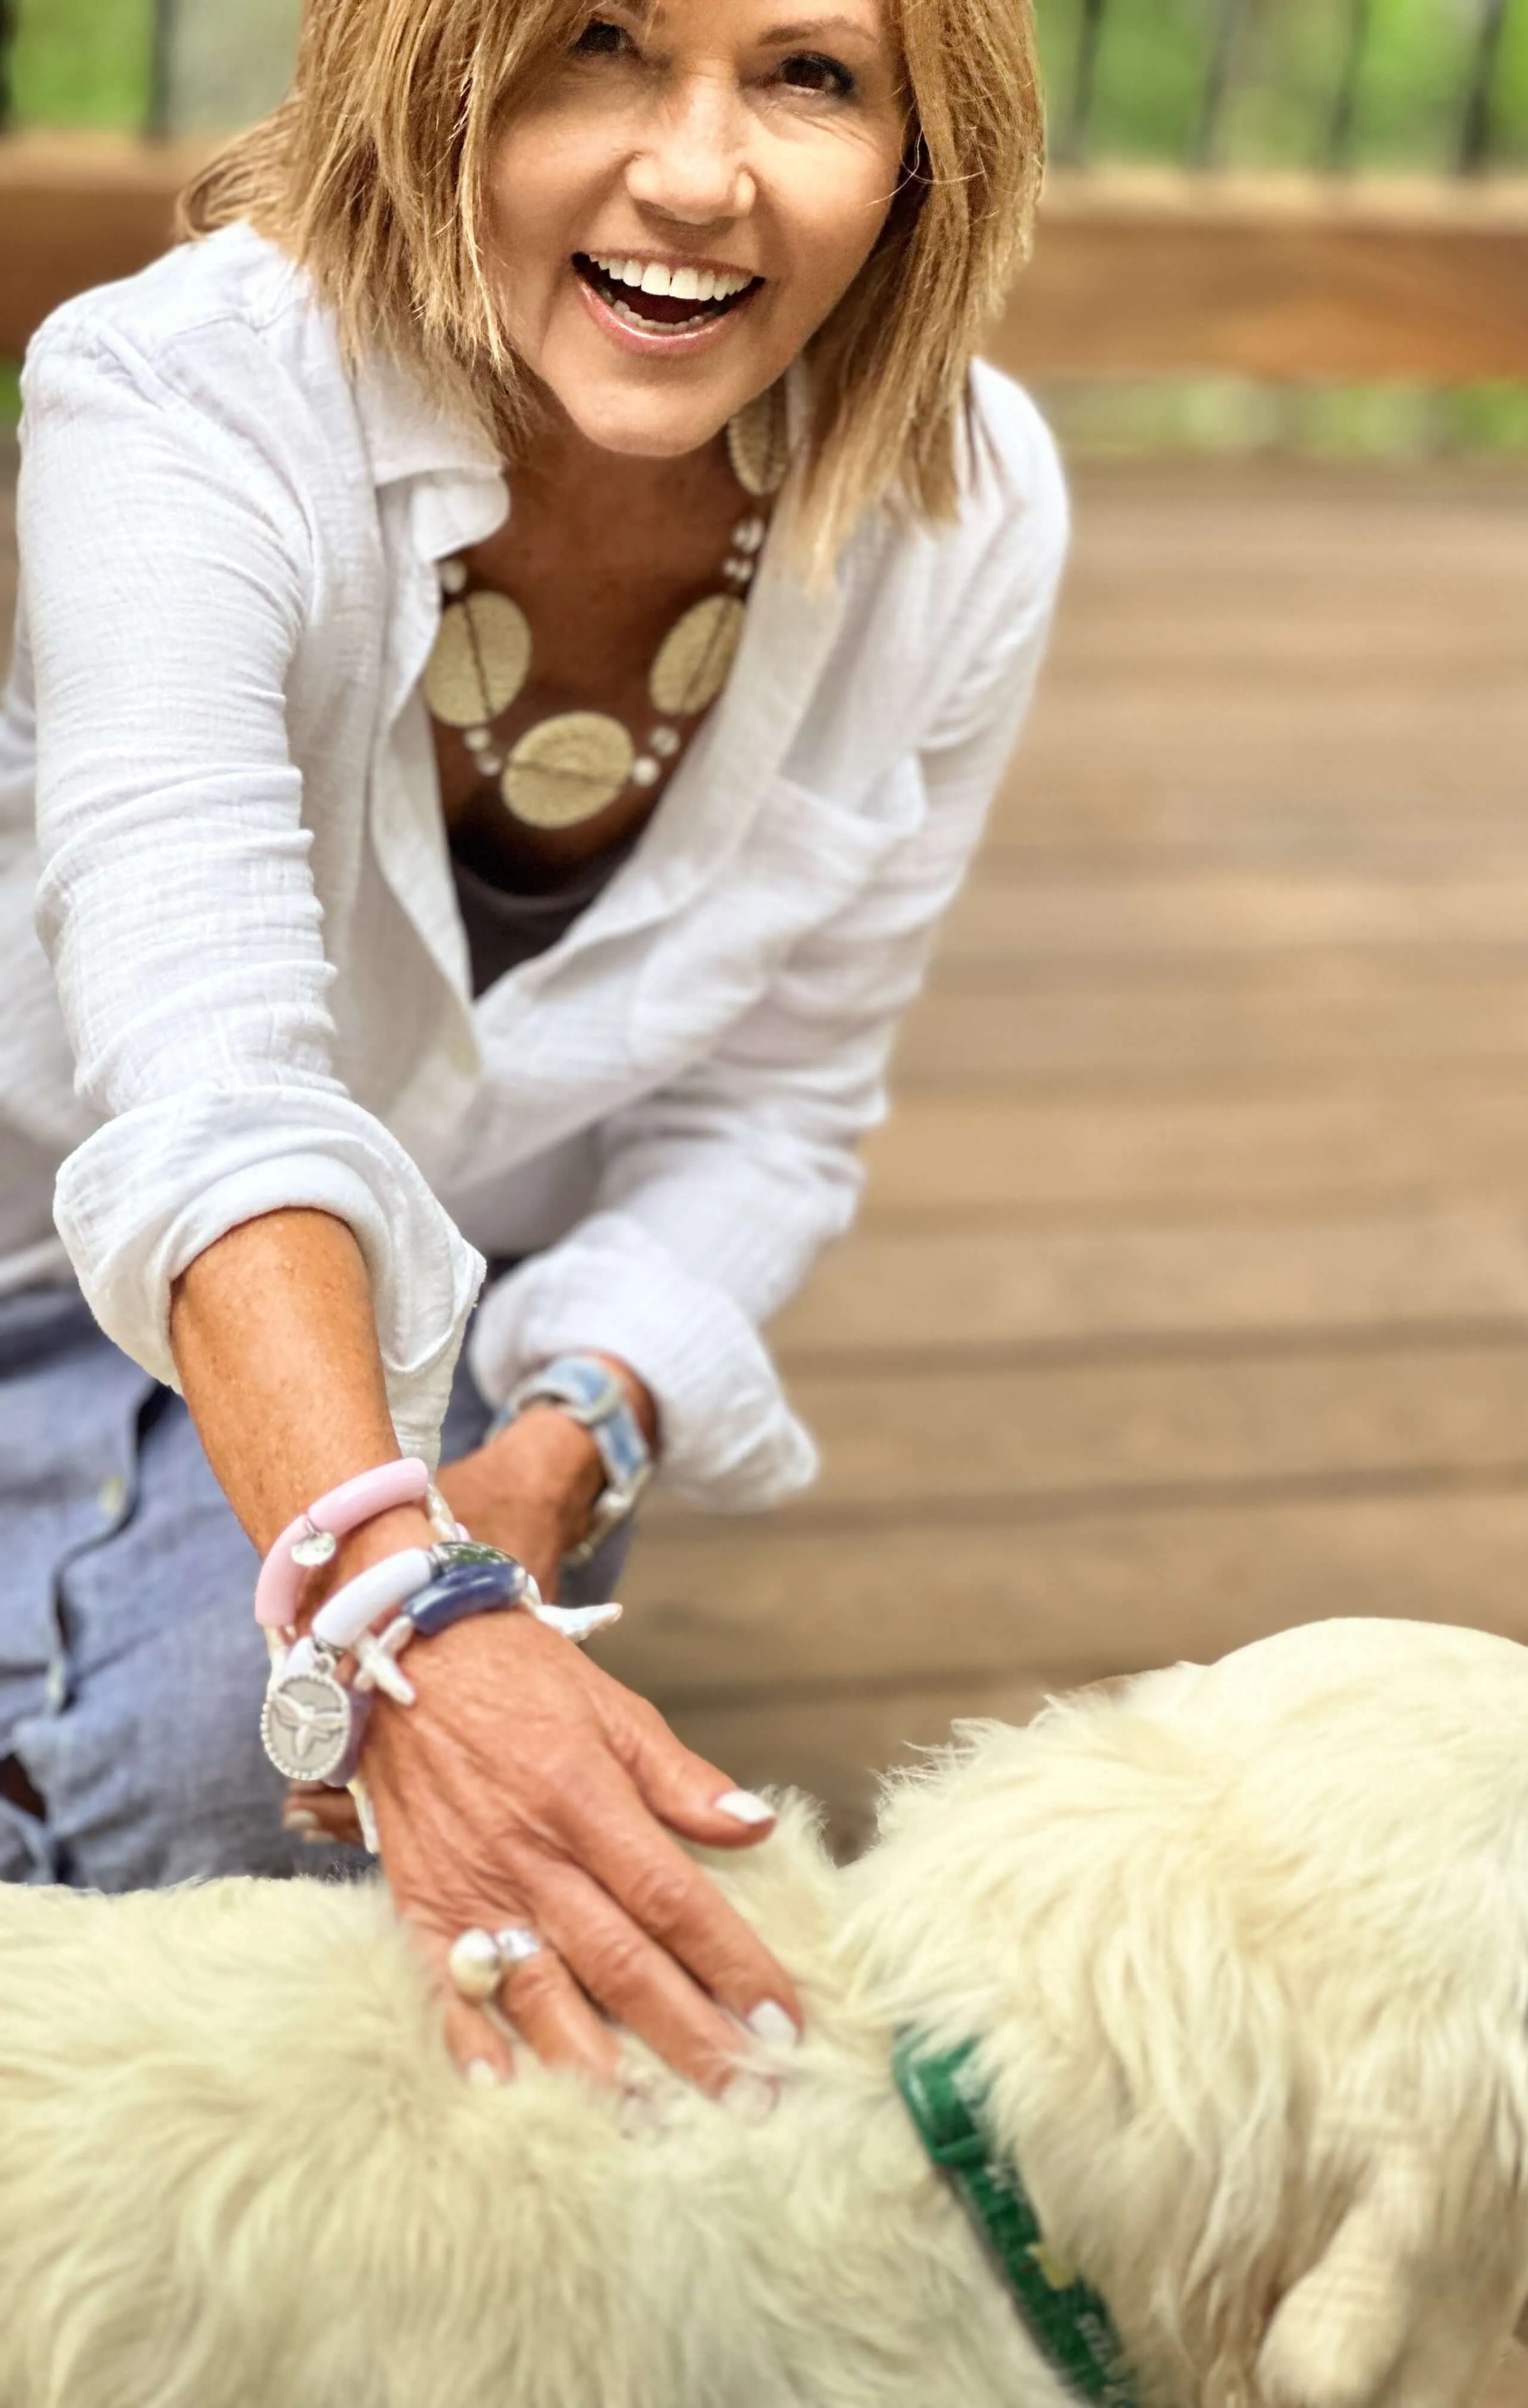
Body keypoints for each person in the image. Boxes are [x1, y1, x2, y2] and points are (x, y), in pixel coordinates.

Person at [0, 0, 1064, 2095]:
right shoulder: (174, 394)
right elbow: (208, 1089)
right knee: (221, 1870)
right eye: (596, 44)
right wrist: (406, 1618)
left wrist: (563, 1440)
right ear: (431, 65)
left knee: (244, 1828)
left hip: (431, 1327)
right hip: (46, 1250)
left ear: (931, 147)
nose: (697, 173)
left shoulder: (969, 508)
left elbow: (776, 1112)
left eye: (811, 75)